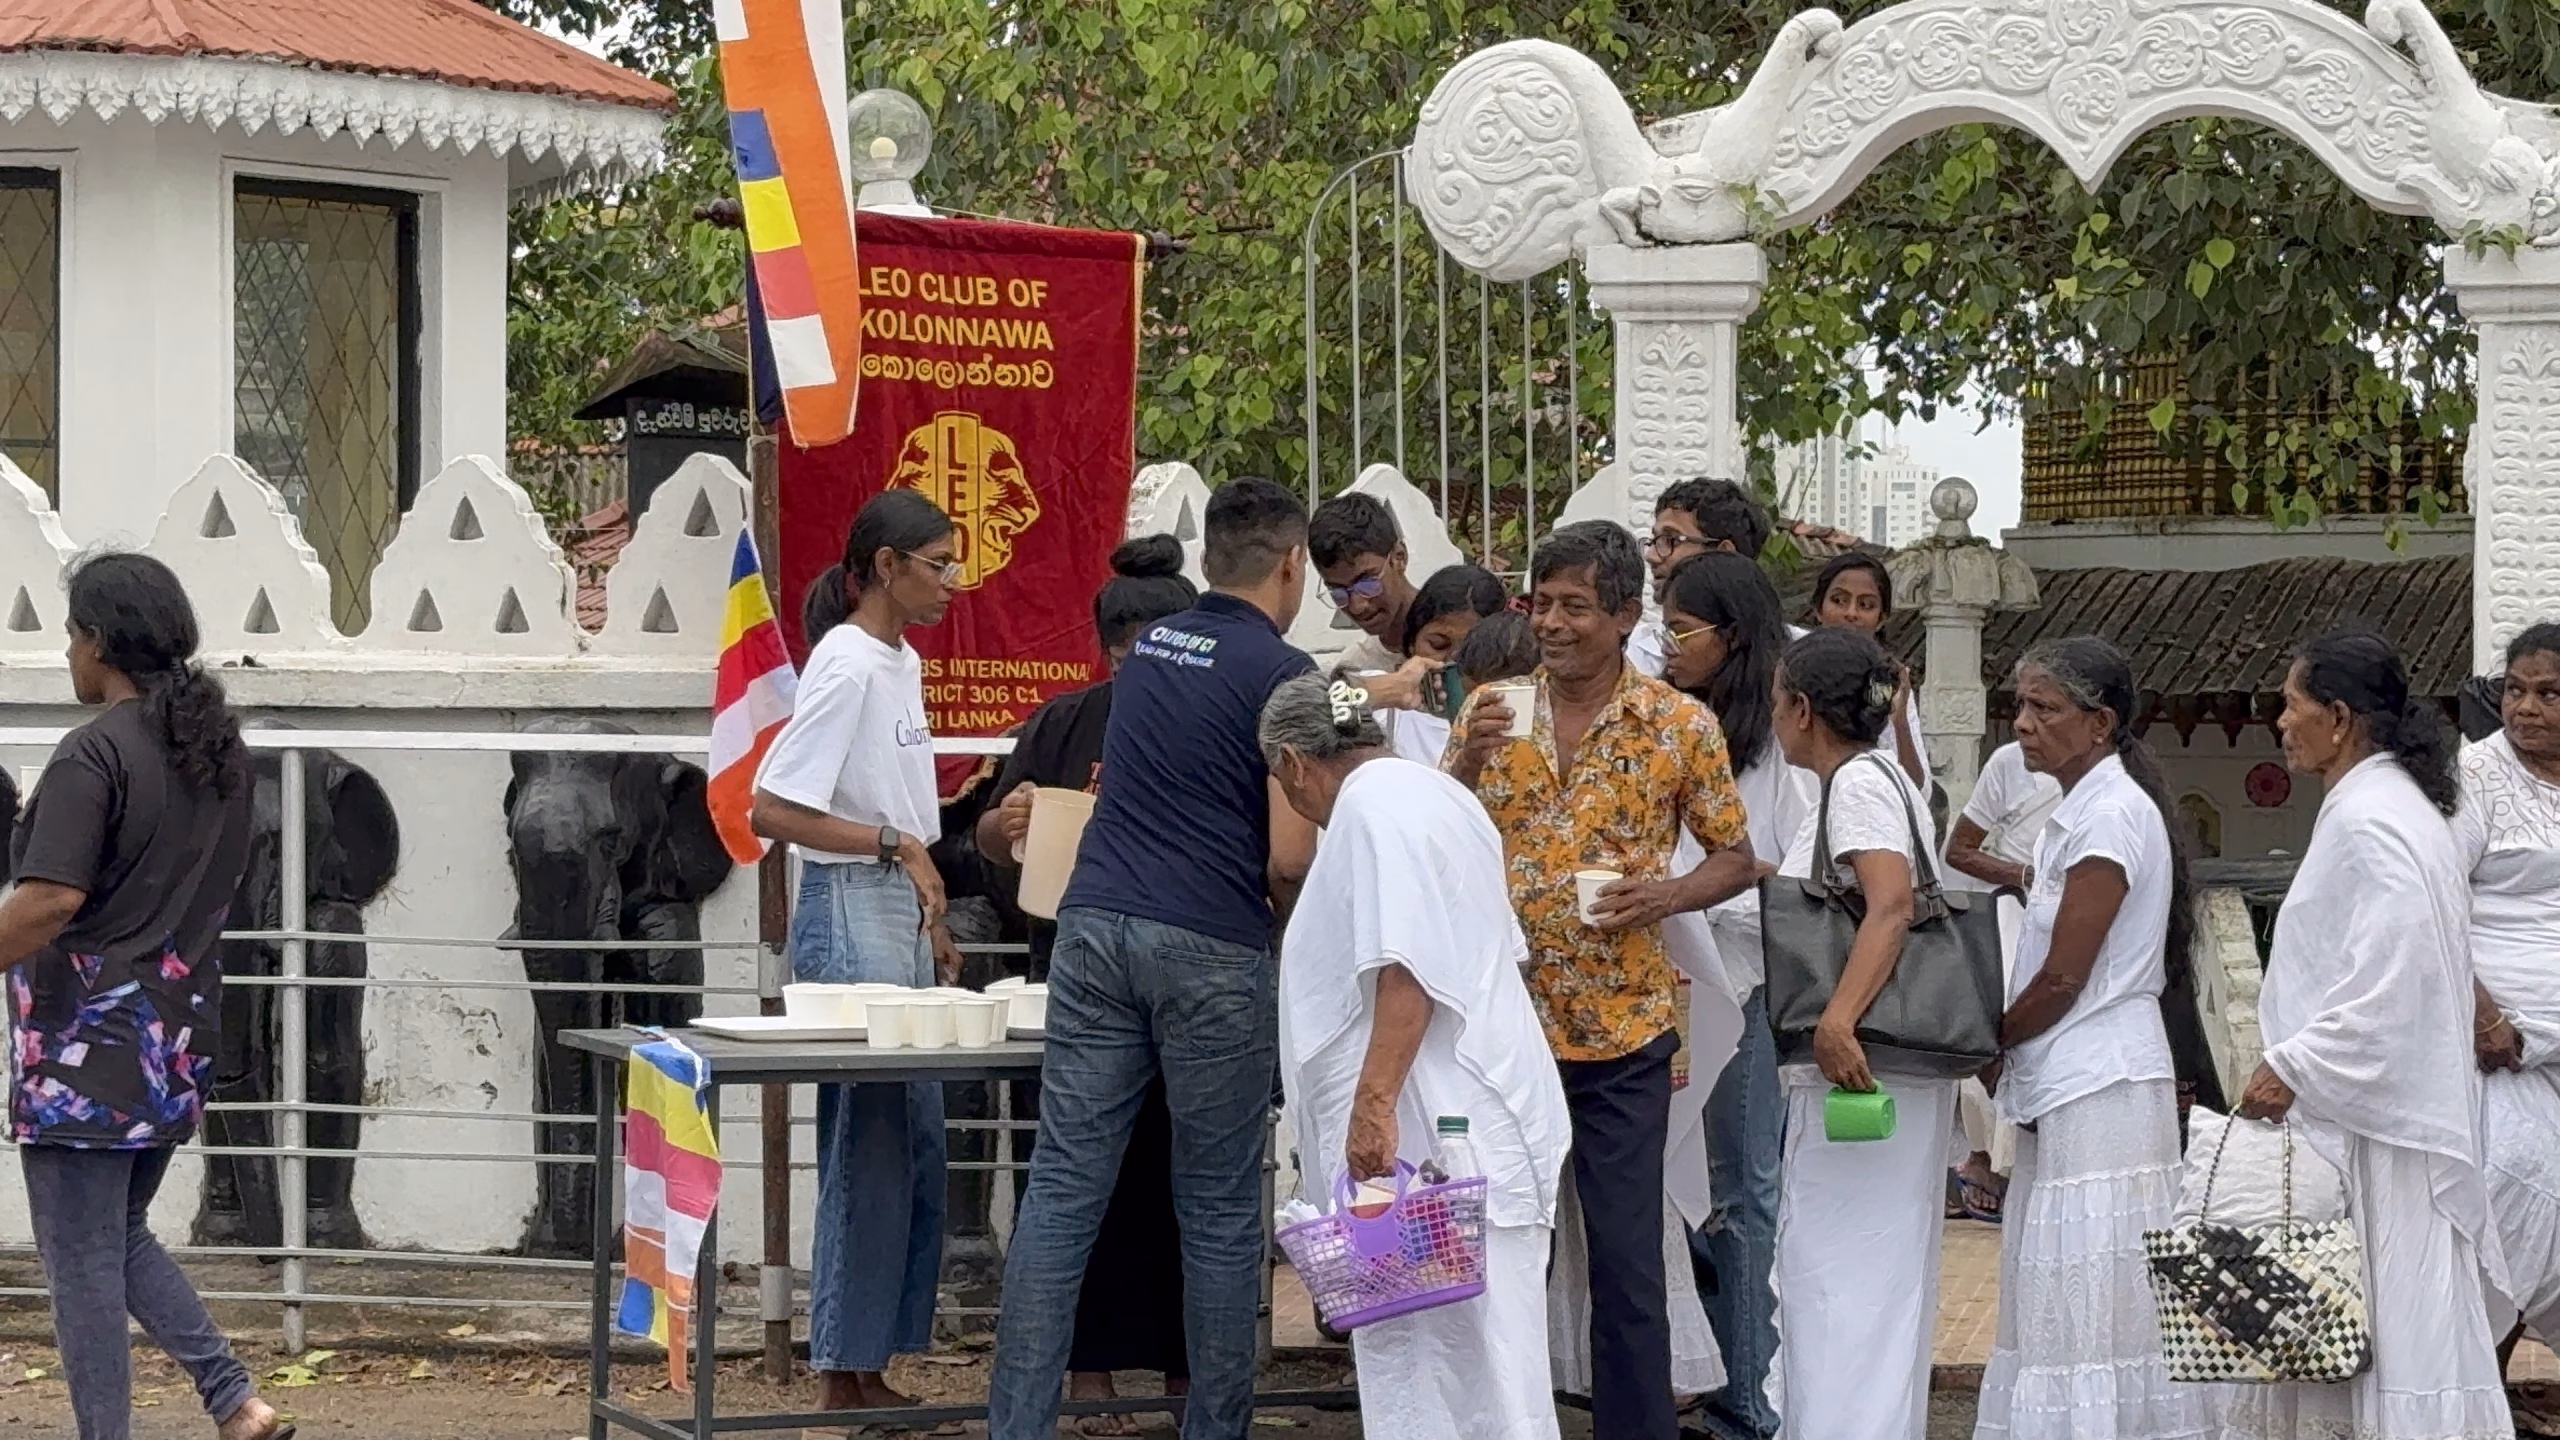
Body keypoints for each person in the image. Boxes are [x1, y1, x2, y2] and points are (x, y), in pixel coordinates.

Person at [988, 478, 1320, 1440]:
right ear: (1292, 562)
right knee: (1216, 1209)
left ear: (1211, 556)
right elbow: (1290, 853)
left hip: (1092, 930)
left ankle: (1016, 1425)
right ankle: (1213, 1428)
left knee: (1061, 1189)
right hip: (1212, 943)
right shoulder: (1289, 670)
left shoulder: (1152, 651)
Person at [1447, 519, 1759, 1440]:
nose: (1551, 622)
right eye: (1541, 603)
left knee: (1627, 1265)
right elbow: (1439, 837)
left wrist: (1663, 893)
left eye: (1575, 607)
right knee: (1503, 1256)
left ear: (1625, 615)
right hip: (1504, 1032)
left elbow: (1737, 859)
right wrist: (1462, 762)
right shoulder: (1491, 711)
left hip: (1625, 1035)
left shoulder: (1679, 725)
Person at [0, 554, 284, 1440]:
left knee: (80, 1262)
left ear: (99, 640)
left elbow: (51, 899)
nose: (66, 651)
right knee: (117, 1236)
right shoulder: (217, 751)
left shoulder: (96, 752)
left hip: (87, 1048)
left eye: (71, 631)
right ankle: (235, 1403)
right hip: (178, 1037)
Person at [1262, 672, 1572, 1439]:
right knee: (1463, 1362)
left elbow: (1411, 967)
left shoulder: (1373, 806)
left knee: (1460, 1365)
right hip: (1457, 1124)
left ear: (1297, 762)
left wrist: (1371, 1109)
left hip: (1436, 1131)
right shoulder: (1433, 795)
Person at [2218, 628, 2508, 1440]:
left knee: (2386, 1322)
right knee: (2367, 1325)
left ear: (2339, 718)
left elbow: (2399, 967)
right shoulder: (2386, 805)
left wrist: (2296, 1063)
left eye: (2292, 704)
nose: (2280, 720)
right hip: (2378, 1113)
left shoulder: (2374, 817)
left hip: (2379, 1128)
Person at [974, 535, 1198, 1432]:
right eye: (1134, 651)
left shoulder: (1217, 722)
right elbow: (989, 842)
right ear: (1109, 651)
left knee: (1184, 1180)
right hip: (1073, 974)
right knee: (1072, 1182)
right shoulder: (1065, 724)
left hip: (1186, 978)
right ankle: (1087, 1373)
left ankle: (1190, 1377)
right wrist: (1009, 820)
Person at [750, 490, 961, 1415]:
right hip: (851, 900)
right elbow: (771, 808)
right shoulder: (844, 667)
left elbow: (902, 800)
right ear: (886, 567)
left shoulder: (897, 661)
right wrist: (894, 847)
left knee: (912, 1141)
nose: (952, 581)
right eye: (937, 563)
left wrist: (930, 902)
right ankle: (840, 1367)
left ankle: (870, 1360)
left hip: (897, 903)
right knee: (868, 1138)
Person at [1970, 638, 2206, 1440]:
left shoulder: (2108, 815)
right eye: (2021, 706)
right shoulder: (2079, 813)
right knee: (2065, 1279)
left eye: (2045, 708)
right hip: (2078, 1071)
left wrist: (1993, 1040)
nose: (2023, 724)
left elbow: (2068, 973)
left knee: (2094, 1284)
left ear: (2099, 723)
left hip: (2098, 1075)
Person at [1762, 625, 1955, 1440]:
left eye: (1778, 700)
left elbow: (1892, 902)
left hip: (1865, 1063)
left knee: (1838, 1278)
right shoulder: (1884, 776)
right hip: (1893, 1068)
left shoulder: (1860, 786)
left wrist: (1838, 1019)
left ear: (1802, 709)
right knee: (1867, 1277)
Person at [1655, 551, 1814, 1440]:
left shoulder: (1777, 751)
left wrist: (1693, 888)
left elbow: (1776, 872)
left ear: (1736, 636)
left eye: (1682, 630)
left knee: (1744, 1188)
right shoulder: (1671, 720)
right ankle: (1707, 1373)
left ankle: (1748, 1396)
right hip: (1670, 976)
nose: (1667, 644)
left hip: (1743, 982)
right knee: (1685, 1190)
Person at [2456, 624, 2560, 1354]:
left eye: (2549, 693)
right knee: (2509, 1208)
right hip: (2502, 1049)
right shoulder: (2475, 778)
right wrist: (2484, 1018)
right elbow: (2428, 906)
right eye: (2514, 691)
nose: (2526, 709)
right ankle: (2469, 1402)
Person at [1942, 739, 2065, 1221]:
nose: (2029, 722)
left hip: (2072, 918)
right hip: (2009, 914)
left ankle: (2024, 1168)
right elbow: (1960, 850)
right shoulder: (2009, 763)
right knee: (1999, 1032)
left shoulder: (2110, 778)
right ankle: (1984, 1161)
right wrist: (2025, 875)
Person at [1629, 477, 1774, 679]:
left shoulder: (1794, 660)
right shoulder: (1630, 655)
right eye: (1653, 540)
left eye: (1670, 540)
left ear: (1725, 554)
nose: (1651, 556)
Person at [1810, 552, 1930, 788]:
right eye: (1839, 601)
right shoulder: (1791, 670)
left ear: (1881, 619)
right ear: (1818, 609)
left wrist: (1899, 718)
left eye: (1865, 605)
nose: (1851, 613)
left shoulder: (1887, 680)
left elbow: (1916, 787)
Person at [1375, 563, 1507, 768]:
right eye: (1438, 644)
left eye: (1470, 650)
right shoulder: (1385, 710)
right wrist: (1391, 689)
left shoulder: (1506, 717)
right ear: (1411, 642)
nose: (1451, 662)